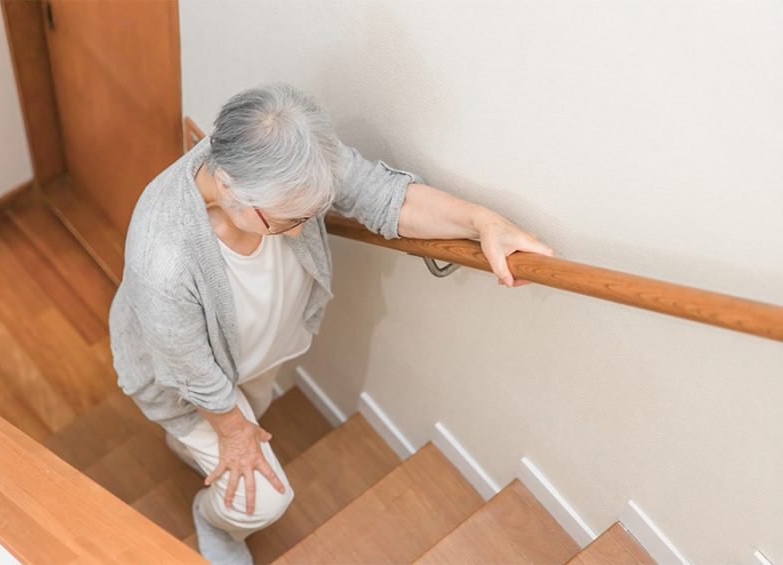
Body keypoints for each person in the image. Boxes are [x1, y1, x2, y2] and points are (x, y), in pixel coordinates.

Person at [108, 82, 553, 564]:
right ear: (233, 191)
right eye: (289, 221)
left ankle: (193, 448)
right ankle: (213, 518)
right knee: (263, 501)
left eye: (312, 213)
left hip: (252, 358)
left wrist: (482, 222)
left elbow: (382, 196)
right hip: (191, 384)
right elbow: (191, 371)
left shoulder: (291, 158)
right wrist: (234, 434)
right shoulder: (164, 257)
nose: (302, 230)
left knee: (250, 404)